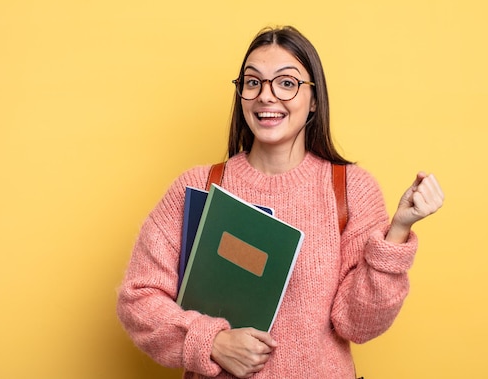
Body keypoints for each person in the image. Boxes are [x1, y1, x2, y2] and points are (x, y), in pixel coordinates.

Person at [117, 25, 444, 378]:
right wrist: (211, 342)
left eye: (286, 83)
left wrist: (397, 232)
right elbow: (138, 299)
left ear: (314, 99)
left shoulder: (350, 189)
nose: (266, 96)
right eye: (253, 82)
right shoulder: (198, 186)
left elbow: (358, 324)